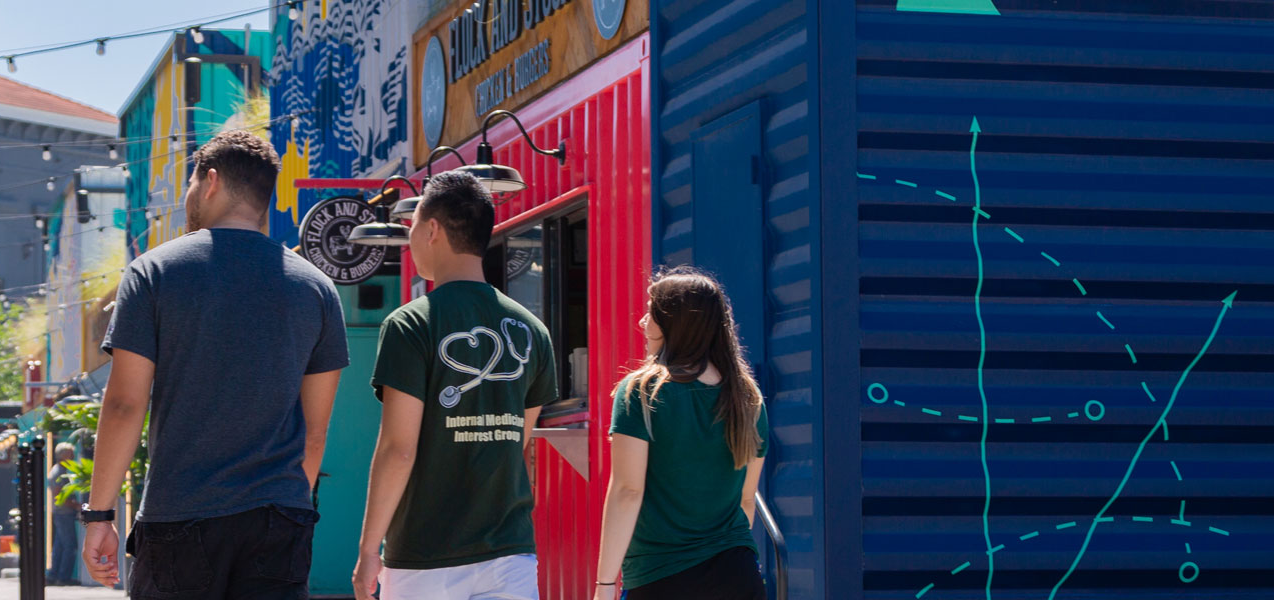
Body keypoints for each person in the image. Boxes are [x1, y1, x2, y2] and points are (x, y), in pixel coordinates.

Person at [77, 130, 349, 599]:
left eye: (189, 183)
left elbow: (124, 404)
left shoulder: (153, 272)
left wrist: (100, 515)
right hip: (278, 520)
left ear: (211, 182)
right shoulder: (317, 289)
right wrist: (285, 505)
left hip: (180, 517)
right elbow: (316, 430)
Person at [354, 171, 556, 600]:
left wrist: (369, 548)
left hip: (425, 557)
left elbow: (398, 448)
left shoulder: (411, 324)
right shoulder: (533, 331)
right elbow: (515, 440)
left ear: (432, 229)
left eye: (412, 226)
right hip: (510, 552)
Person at [592, 268, 770, 600]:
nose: (643, 322)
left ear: (676, 323)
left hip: (661, 576)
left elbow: (628, 491)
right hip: (738, 575)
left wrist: (604, 584)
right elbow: (747, 500)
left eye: (652, 313)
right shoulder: (748, 397)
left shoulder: (642, 391)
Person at [43, 443, 84, 586]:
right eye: (71, 454)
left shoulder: (61, 470)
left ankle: (53, 575)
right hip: (63, 513)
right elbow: (58, 495)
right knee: (70, 545)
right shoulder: (59, 472)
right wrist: (76, 505)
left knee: (60, 545)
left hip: (63, 513)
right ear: (64, 456)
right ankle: (63, 577)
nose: (73, 456)